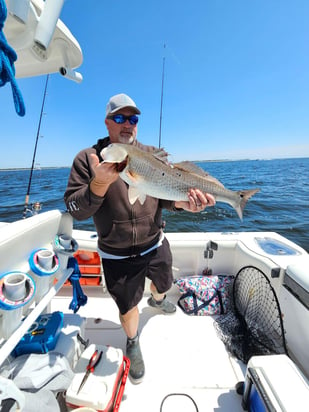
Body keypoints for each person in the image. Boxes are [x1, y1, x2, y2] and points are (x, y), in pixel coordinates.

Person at [64, 93, 216, 383]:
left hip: (155, 241)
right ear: (107, 122)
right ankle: (132, 341)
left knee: (164, 283)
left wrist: (184, 203)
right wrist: (97, 184)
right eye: (119, 118)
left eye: (133, 119)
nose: (127, 124)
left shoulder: (152, 154)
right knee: (128, 306)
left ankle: (158, 301)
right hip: (116, 251)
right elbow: (74, 208)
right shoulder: (89, 158)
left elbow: (166, 193)